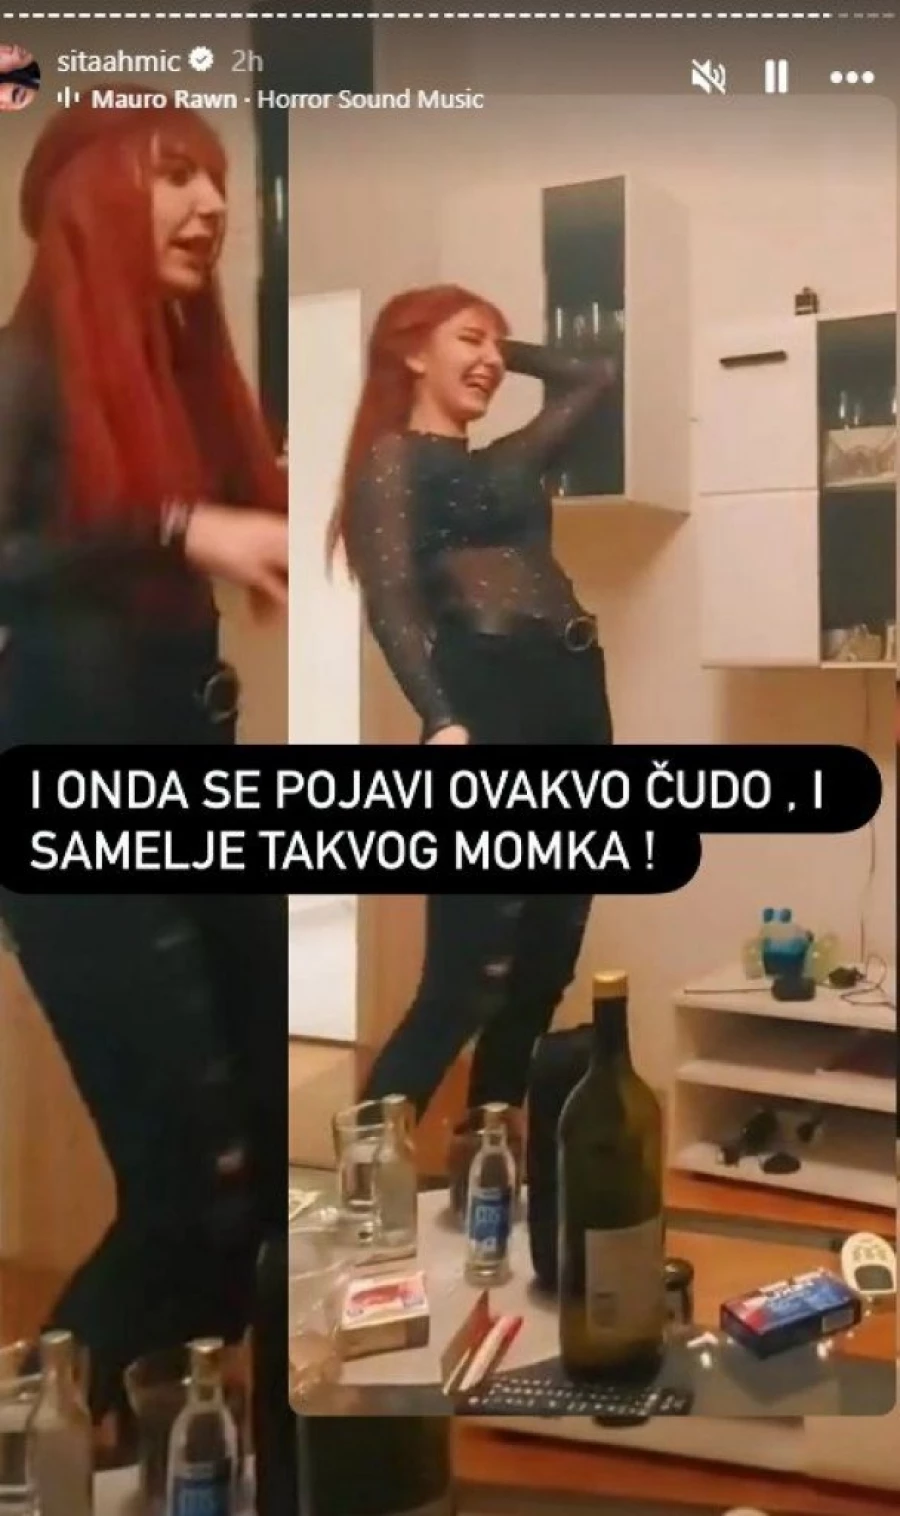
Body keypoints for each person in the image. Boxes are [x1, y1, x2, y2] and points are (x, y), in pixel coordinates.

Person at [0, 96, 288, 1427]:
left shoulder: (171, 377)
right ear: (92, 196)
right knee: (190, 1186)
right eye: (176, 176)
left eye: (215, 180)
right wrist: (173, 528)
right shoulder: (23, 369)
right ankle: (33, 1445)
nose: (212, 206)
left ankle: (159, 1450)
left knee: (256, 1189)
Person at [327, 283, 616, 1121]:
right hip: (488, 699)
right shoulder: (392, 460)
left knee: (548, 958)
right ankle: (365, 1176)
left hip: (573, 693)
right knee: (466, 978)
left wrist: (491, 345)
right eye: (468, 340)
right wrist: (440, 716)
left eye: (498, 344)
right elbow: (391, 603)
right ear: (411, 352)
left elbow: (594, 377)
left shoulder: (508, 462)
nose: (490, 359)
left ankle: (487, 1157)